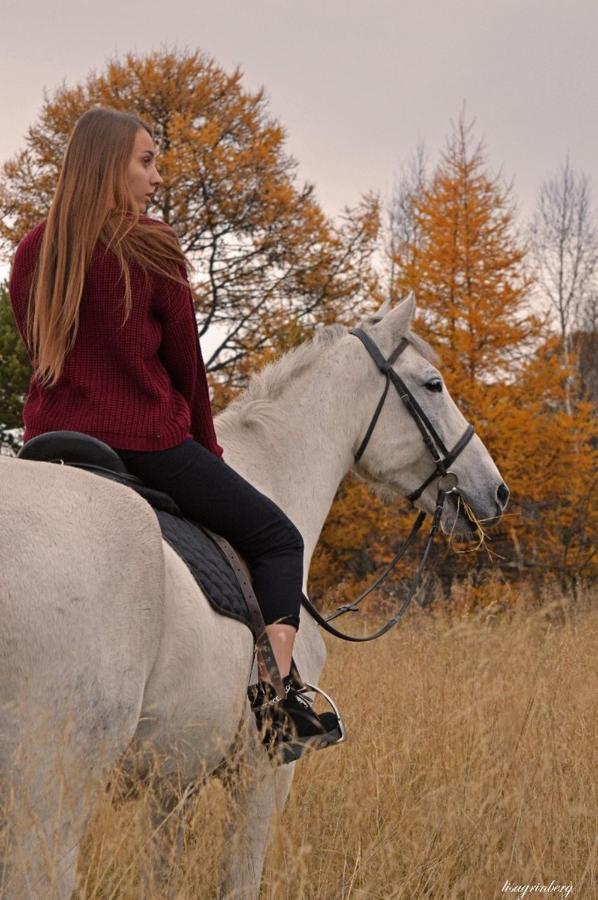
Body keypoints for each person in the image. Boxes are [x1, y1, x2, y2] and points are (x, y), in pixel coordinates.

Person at [8, 105, 340, 762]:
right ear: (110, 166)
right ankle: (280, 703)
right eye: (145, 160)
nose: (156, 176)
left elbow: (35, 344)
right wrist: (208, 457)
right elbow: (188, 372)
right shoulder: (153, 246)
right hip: (146, 445)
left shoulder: (32, 250)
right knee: (277, 538)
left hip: (49, 448)